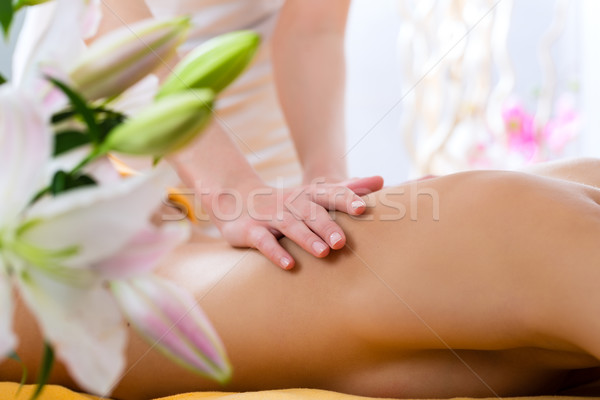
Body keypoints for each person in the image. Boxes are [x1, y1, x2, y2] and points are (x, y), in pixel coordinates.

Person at [5, 158, 600, 399]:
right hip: (166, 240)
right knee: (514, 218)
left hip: (201, 214)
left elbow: (313, 37)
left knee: (564, 187)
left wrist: (321, 184)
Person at [95, 0, 384, 270]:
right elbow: (123, 34)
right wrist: (232, 192)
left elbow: (314, 28)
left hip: (279, 170)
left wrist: (325, 178)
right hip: (139, 167)